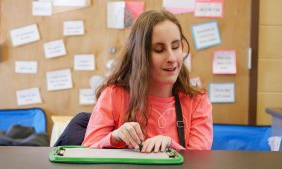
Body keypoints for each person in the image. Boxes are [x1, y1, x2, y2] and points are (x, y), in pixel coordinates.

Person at [82, 10, 213, 152]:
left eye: (176, 47)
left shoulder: (198, 101)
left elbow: (200, 162)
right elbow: (87, 151)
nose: (172, 58)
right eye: (159, 49)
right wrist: (114, 137)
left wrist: (170, 145)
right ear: (140, 56)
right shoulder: (113, 96)